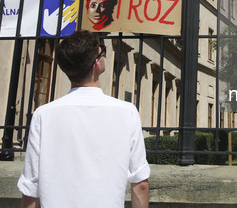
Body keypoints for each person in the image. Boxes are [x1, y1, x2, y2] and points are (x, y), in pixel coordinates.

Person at [17, 30, 150, 208]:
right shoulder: (126, 112)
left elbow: (31, 187)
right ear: (96, 63)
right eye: (102, 51)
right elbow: (140, 184)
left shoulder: (43, 114)